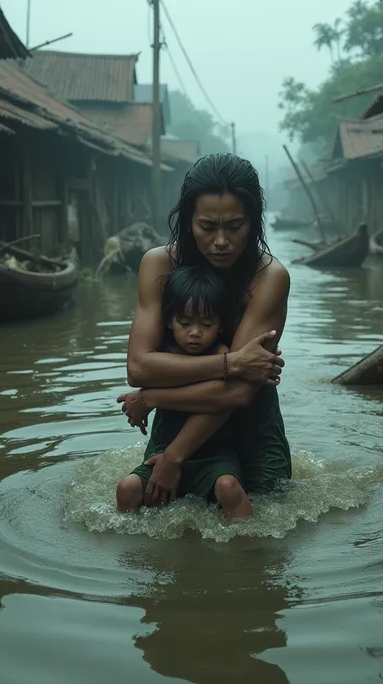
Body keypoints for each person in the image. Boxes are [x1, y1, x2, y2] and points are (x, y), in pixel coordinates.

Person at [116, 153, 292, 517]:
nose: (221, 241)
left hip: (250, 428)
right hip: (178, 421)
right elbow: (139, 366)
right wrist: (232, 362)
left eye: (235, 226)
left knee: (266, 534)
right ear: (188, 220)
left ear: (254, 221)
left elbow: (240, 392)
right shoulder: (159, 264)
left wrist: (152, 402)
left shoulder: (269, 277)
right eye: (207, 226)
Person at [132, 263, 254, 518]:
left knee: (229, 488)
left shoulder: (222, 355)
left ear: (220, 325)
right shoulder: (161, 356)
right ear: (169, 321)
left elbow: (226, 395)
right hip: (163, 448)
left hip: (213, 451)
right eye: (185, 322)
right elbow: (141, 379)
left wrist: (150, 399)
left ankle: (251, 551)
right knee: (126, 489)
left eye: (206, 324)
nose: (195, 333)